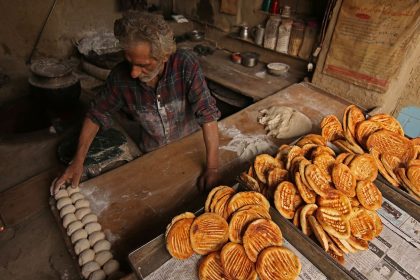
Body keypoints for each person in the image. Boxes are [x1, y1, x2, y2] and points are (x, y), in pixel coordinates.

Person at [51, 11, 221, 195]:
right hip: (151, 153)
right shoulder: (120, 77)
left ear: (164, 57)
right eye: (129, 61)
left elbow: (207, 113)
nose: (133, 72)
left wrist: (212, 168)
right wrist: (78, 161)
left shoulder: (185, 65)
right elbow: (96, 114)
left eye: (144, 65)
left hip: (191, 146)